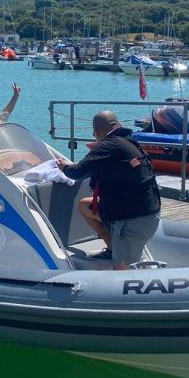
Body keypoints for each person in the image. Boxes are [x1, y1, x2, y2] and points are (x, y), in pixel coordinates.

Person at [57, 111, 161, 270]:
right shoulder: (127, 142)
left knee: (122, 274)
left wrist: (63, 166)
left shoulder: (107, 146)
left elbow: (76, 172)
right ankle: (113, 247)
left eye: (94, 133)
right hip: (148, 214)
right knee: (85, 206)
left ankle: (124, 263)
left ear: (97, 131)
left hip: (132, 221)